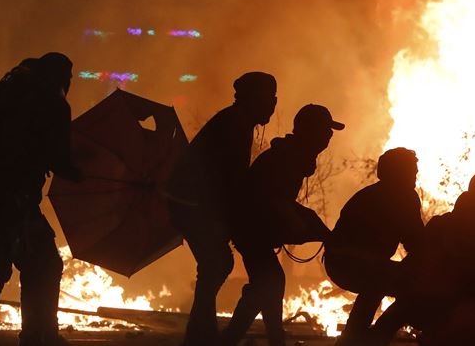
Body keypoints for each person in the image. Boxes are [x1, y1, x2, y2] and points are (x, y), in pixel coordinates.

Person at [0, 52, 81, 346]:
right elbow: (60, 159)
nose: (70, 83)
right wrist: (80, 170)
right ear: (61, 76)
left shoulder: (8, 93)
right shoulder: (52, 101)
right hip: (16, 203)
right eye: (69, 77)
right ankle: (40, 336)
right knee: (45, 264)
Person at [165, 72, 277, 346]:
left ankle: (199, 332)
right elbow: (228, 181)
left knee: (216, 263)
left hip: (194, 203)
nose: (273, 105)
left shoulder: (238, 121)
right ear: (254, 99)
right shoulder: (235, 124)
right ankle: (200, 335)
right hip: (192, 203)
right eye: (269, 99)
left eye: (275, 99)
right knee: (216, 262)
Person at [222, 104, 343, 346]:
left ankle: (262, 339)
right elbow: (274, 200)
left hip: (250, 227)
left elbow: (281, 202)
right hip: (249, 228)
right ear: (310, 131)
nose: (329, 136)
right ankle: (236, 340)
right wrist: (307, 226)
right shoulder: (287, 159)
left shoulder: (292, 156)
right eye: (325, 130)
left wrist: (312, 226)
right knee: (270, 282)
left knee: (269, 283)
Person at [370, 171, 475, 346]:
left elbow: (414, 262)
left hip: (431, 302)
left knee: (386, 324)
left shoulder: (441, 223)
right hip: (473, 308)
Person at [324, 147, 424, 345]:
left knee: (383, 280)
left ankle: (357, 338)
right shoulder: (402, 198)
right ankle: (367, 338)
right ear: (400, 173)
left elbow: (415, 242)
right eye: (412, 170)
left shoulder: (374, 195)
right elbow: (417, 242)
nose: (416, 174)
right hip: (351, 263)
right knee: (397, 284)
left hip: (348, 262)